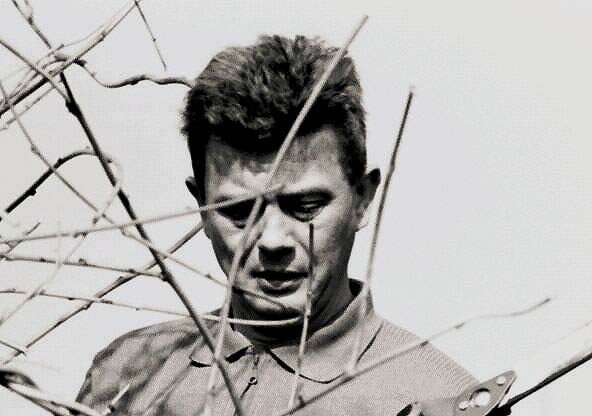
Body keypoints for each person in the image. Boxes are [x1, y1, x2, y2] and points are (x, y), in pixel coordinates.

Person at [76, 34, 476, 415]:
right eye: (239, 210)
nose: (272, 240)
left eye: (305, 206)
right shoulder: (128, 375)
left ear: (362, 199)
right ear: (201, 208)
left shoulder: (440, 399)